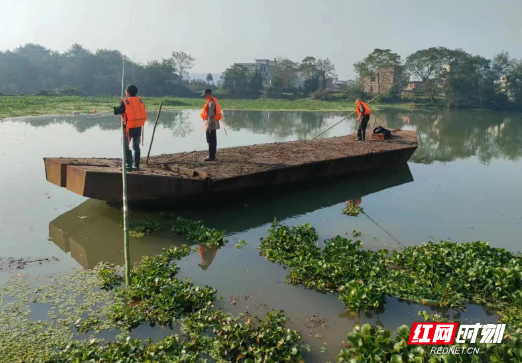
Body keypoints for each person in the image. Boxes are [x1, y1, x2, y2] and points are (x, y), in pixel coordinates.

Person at [114, 84, 147, 171]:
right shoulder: (140, 101)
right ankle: (136, 165)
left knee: (125, 145)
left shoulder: (125, 101)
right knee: (136, 146)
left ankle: (128, 164)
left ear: (127, 92)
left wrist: (116, 110)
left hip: (129, 127)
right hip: (139, 126)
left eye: (126, 90)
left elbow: (119, 111)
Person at [200, 89, 223, 161]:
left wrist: (209, 126)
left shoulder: (211, 103)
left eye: (205, 95)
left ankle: (211, 156)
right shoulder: (212, 101)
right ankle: (212, 155)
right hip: (213, 123)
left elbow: (211, 115)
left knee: (210, 140)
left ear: (209, 94)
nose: (205, 97)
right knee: (213, 139)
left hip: (211, 124)